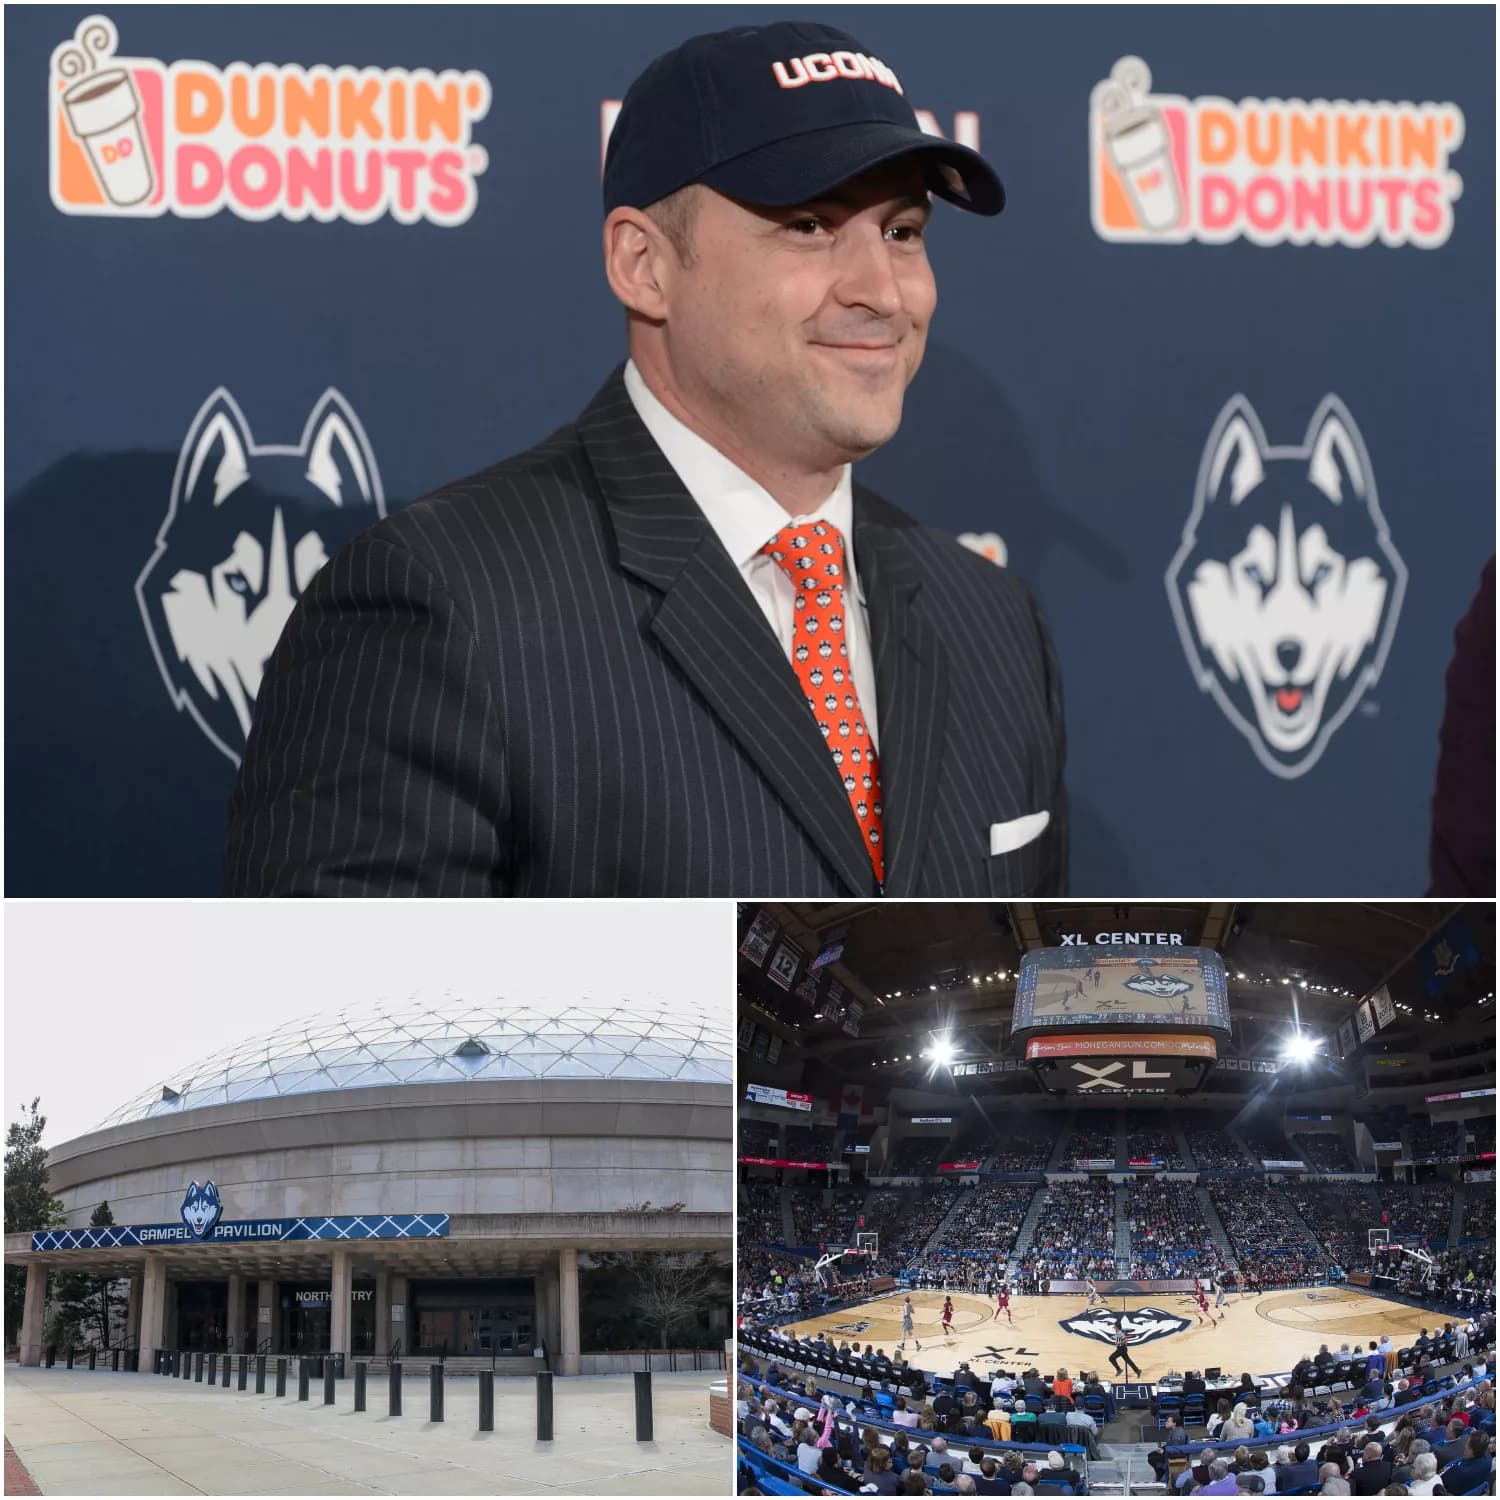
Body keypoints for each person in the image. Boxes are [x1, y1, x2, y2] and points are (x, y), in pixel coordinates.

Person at [223, 19, 1068, 900]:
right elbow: (372, 1026)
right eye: (811, 225)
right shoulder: (441, 607)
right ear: (644, 266)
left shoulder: (994, 623)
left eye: (901, 232)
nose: (882, 291)